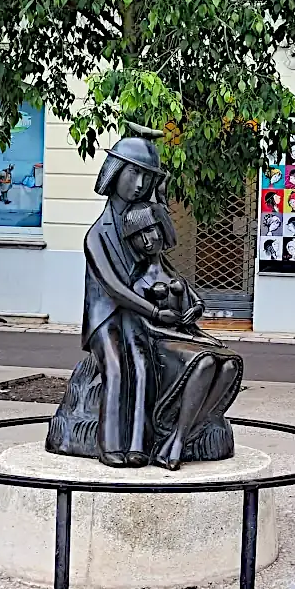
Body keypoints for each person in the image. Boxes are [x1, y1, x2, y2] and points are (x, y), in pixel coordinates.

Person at [66, 136, 242, 470]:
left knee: (145, 367)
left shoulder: (140, 216)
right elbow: (114, 289)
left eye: (148, 177)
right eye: (134, 174)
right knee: (117, 367)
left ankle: (139, 444)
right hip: (107, 317)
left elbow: (168, 241)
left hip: (140, 316)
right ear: (114, 172)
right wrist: (154, 311)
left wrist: (160, 199)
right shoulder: (97, 234)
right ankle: (109, 443)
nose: (139, 184)